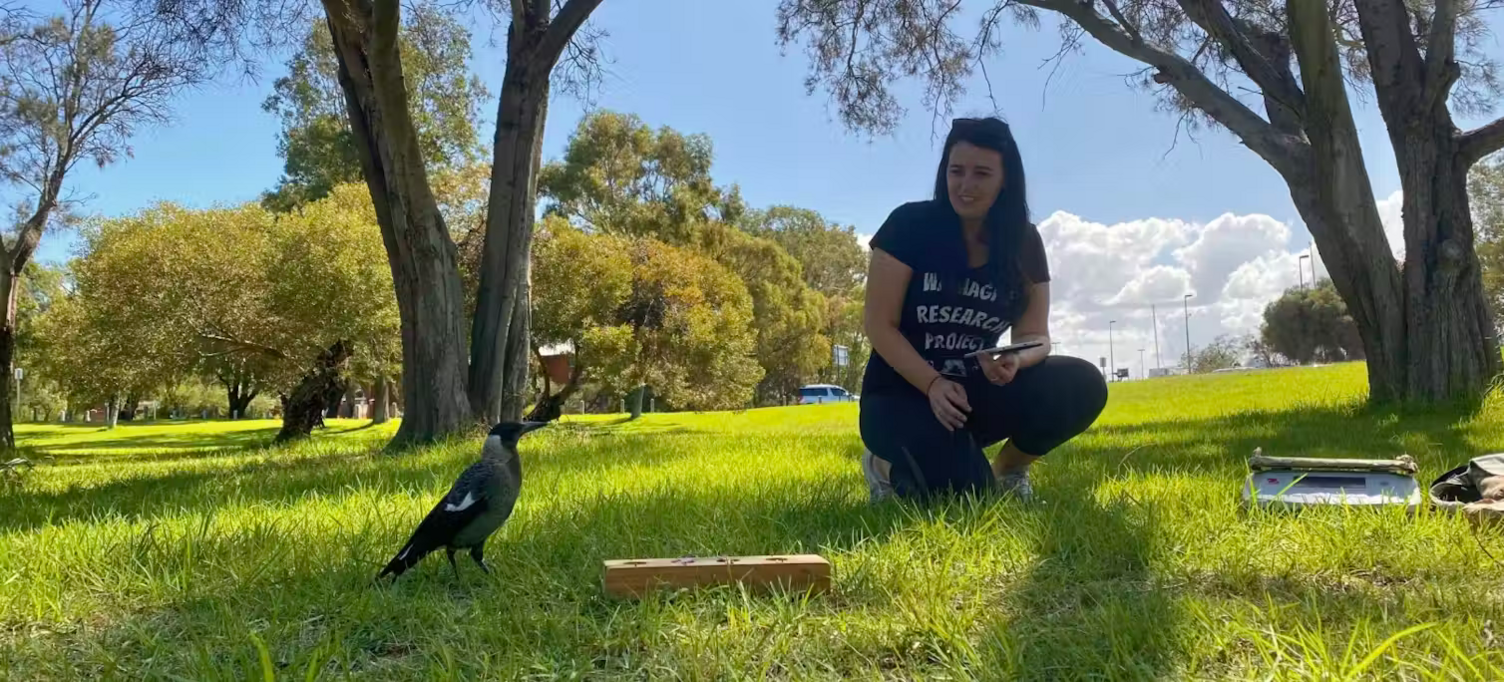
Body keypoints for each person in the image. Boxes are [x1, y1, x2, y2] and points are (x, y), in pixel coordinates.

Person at [858, 116, 1108, 503]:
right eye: (956, 171)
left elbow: (1035, 338)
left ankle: (1008, 471)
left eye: (982, 173)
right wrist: (933, 383)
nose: (965, 185)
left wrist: (1014, 360)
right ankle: (883, 465)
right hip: (900, 395)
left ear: (1005, 179)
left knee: (1082, 383)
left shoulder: (1024, 242)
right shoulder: (909, 225)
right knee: (963, 495)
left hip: (973, 392)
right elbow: (879, 324)